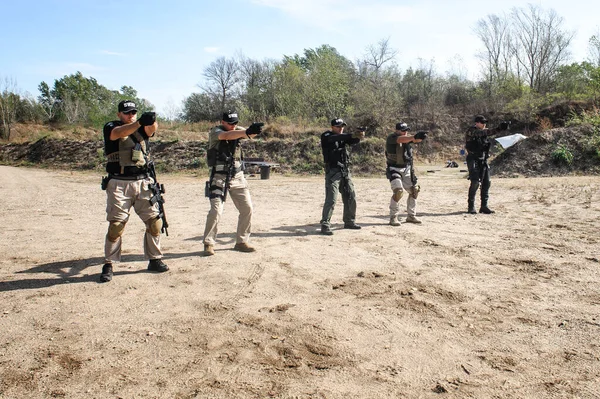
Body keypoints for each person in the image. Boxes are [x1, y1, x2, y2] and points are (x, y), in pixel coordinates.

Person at [100, 100, 169, 283]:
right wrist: (138, 122)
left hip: (142, 182)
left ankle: (155, 259)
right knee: (116, 226)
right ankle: (109, 263)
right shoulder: (111, 126)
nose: (130, 115)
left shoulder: (142, 128)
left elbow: (151, 130)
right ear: (119, 114)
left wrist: (152, 120)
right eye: (127, 112)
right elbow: (118, 134)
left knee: (155, 222)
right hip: (119, 183)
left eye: (134, 113)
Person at [202, 111, 263, 255]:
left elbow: (246, 134)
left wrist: (254, 131)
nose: (233, 126)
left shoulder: (237, 130)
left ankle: (241, 241)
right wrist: (246, 132)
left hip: (237, 176)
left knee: (247, 208)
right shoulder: (216, 131)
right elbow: (226, 136)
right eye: (230, 123)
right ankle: (208, 243)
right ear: (223, 122)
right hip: (219, 176)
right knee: (216, 210)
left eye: (235, 123)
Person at [319, 118, 365, 235]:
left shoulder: (342, 137)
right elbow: (335, 138)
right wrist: (350, 135)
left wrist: (359, 135)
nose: (341, 129)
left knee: (351, 195)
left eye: (342, 127)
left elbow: (352, 141)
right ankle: (325, 224)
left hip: (344, 170)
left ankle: (349, 221)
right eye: (338, 127)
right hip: (333, 171)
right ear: (332, 127)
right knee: (331, 198)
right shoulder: (327, 135)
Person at [464, 115, 509, 214]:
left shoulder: (483, 131)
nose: (484, 124)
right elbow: (485, 132)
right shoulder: (471, 131)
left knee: (486, 182)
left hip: (482, 159)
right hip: (473, 159)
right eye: (482, 122)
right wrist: (498, 128)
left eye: (485, 122)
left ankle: (484, 206)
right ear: (477, 123)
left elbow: (490, 132)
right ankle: (471, 206)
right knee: (475, 182)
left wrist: (501, 128)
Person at [385, 122, 427, 226]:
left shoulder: (407, 138)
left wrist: (421, 137)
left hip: (407, 168)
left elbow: (414, 139)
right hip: (394, 169)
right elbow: (401, 139)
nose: (405, 132)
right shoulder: (392, 137)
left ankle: (411, 216)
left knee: (414, 190)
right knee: (398, 191)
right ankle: (393, 217)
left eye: (406, 130)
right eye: (403, 130)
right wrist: (414, 137)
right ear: (397, 130)